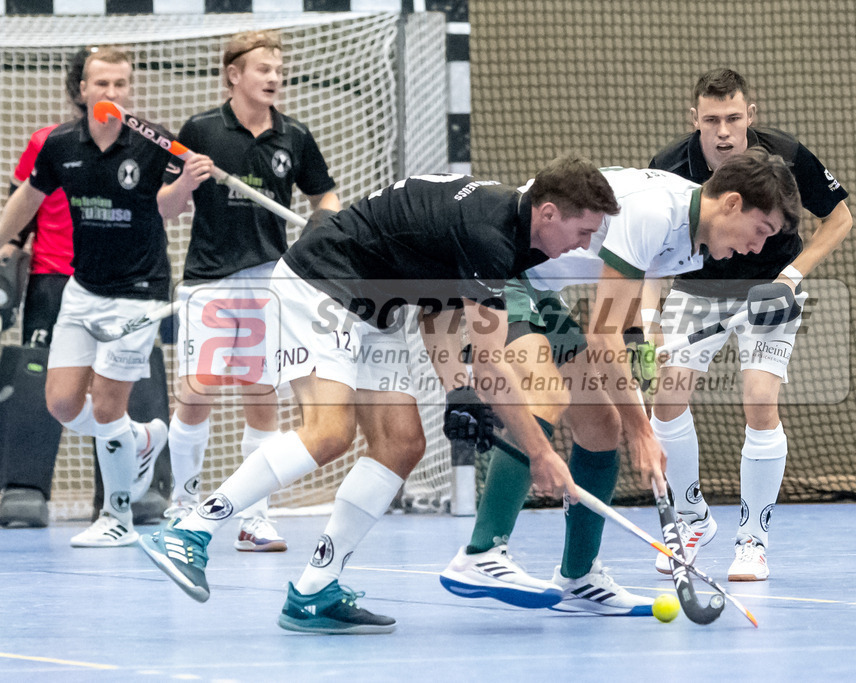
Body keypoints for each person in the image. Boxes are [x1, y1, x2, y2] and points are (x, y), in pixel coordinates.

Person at [139, 157, 621, 633]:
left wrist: (457, 388)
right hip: (321, 283)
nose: (586, 244)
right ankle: (190, 530)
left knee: (402, 443)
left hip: (379, 307)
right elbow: (491, 361)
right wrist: (540, 455)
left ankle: (314, 591)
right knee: (329, 433)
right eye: (583, 231)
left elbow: (439, 306)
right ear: (550, 212)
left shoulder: (514, 233)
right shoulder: (490, 233)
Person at [436, 149, 802, 614]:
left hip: (539, 289)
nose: (757, 248)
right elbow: (603, 332)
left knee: (601, 427)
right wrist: (644, 430)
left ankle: (578, 578)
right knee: (546, 394)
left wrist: (634, 381)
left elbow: (619, 322)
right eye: (760, 231)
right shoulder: (657, 212)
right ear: (731, 203)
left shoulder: (693, 243)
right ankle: (482, 552)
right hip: (499, 270)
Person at [647, 68, 853, 581]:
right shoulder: (669, 168)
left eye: (733, 118)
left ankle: (752, 542)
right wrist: (649, 319)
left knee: (760, 399)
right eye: (711, 119)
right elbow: (649, 251)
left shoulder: (785, 155)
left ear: (749, 117)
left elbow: (841, 217)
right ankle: (691, 518)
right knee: (667, 394)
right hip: (697, 287)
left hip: (769, 287)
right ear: (693, 120)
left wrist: (791, 276)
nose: (722, 131)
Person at [0, 47, 199, 546]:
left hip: (138, 294)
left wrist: (188, 179)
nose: (112, 93)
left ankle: (118, 518)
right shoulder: (60, 143)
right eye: (102, 84)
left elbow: (171, 209)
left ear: (128, 90)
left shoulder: (155, 144)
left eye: (120, 84)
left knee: (108, 408)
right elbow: (28, 197)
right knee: (62, 403)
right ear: (83, 91)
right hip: (81, 289)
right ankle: (143, 438)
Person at [157, 30, 340, 552]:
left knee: (262, 397)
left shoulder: (294, 136)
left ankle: (254, 517)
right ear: (234, 75)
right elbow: (166, 208)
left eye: (278, 69)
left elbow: (323, 192)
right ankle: (184, 504)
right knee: (196, 393)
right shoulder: (201, 130)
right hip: (209, 280)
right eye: (263, 69)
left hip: (268, 279)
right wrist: (187, 182)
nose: (274, 78)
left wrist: (323, 221)